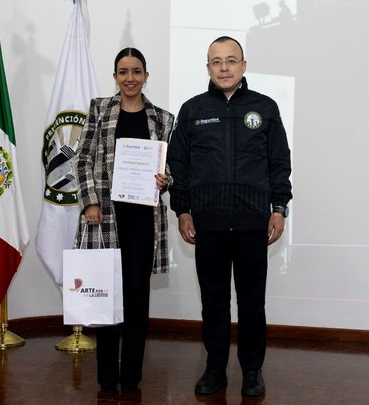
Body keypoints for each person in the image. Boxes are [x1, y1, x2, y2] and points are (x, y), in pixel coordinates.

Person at [166, 36, 292, 397]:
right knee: (214, 303)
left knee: (252, 302)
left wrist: (279, 209)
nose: (224, 67)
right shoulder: (192, 111)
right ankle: (214, 369)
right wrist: (183, 210)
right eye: (217, 61)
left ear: (243, 66)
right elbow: (179, 166)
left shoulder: (265, 108)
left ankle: (252, 371)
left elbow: (279, 163)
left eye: (231, 60)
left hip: (254, 222)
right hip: (208, 224)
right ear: (207, 68)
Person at [73, 47, 174, 394]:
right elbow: (82, 161)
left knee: (136, 298)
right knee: (106, 299)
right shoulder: (99, 110)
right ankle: (106, 378)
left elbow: (169, 167)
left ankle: (131, 377)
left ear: (147, 75)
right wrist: (90, 202)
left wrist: (165, 180)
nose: (130, 78)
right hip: (105, 221)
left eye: (136, 71)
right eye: (122, 71)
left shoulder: (162, 118)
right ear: (114, 76)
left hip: (144, 223)